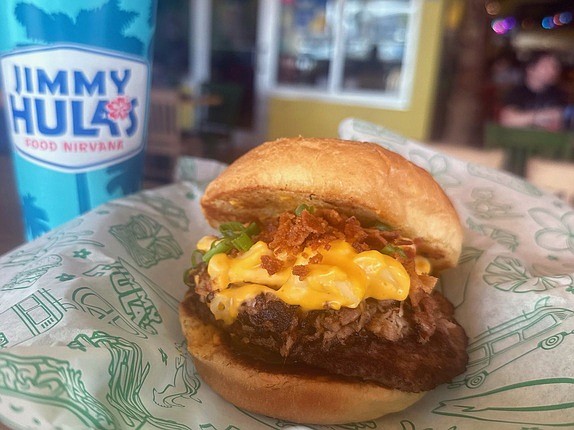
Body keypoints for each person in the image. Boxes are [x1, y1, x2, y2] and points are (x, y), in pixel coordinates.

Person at [499, 51, 567, 132]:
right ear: (530, 69)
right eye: (546, 66)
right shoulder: (516, 92)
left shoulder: (558, 93)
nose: (552, 71)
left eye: (554, 67)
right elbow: (507, 120)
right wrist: (541, 116)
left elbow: (561, 121)